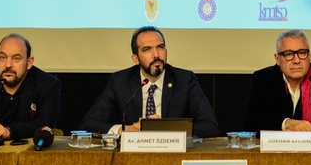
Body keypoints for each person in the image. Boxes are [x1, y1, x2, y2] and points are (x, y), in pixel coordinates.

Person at [79, 26, 219, 138]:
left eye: (160, 47)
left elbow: (210, 126)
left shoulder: (184, 79)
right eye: (147, 49)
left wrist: (166, 129)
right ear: (136, 59)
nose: (156, 55)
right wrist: (125, 130)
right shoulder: (120, 81)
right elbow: (88, 124)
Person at [244, 29, 311, 137]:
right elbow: (251, 124)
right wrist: (287, 123)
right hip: (277, 146)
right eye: (288, 54)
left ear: (309, 56)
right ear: (277, 59)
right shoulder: (264, 79)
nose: (296, 61)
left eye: (302, 53)